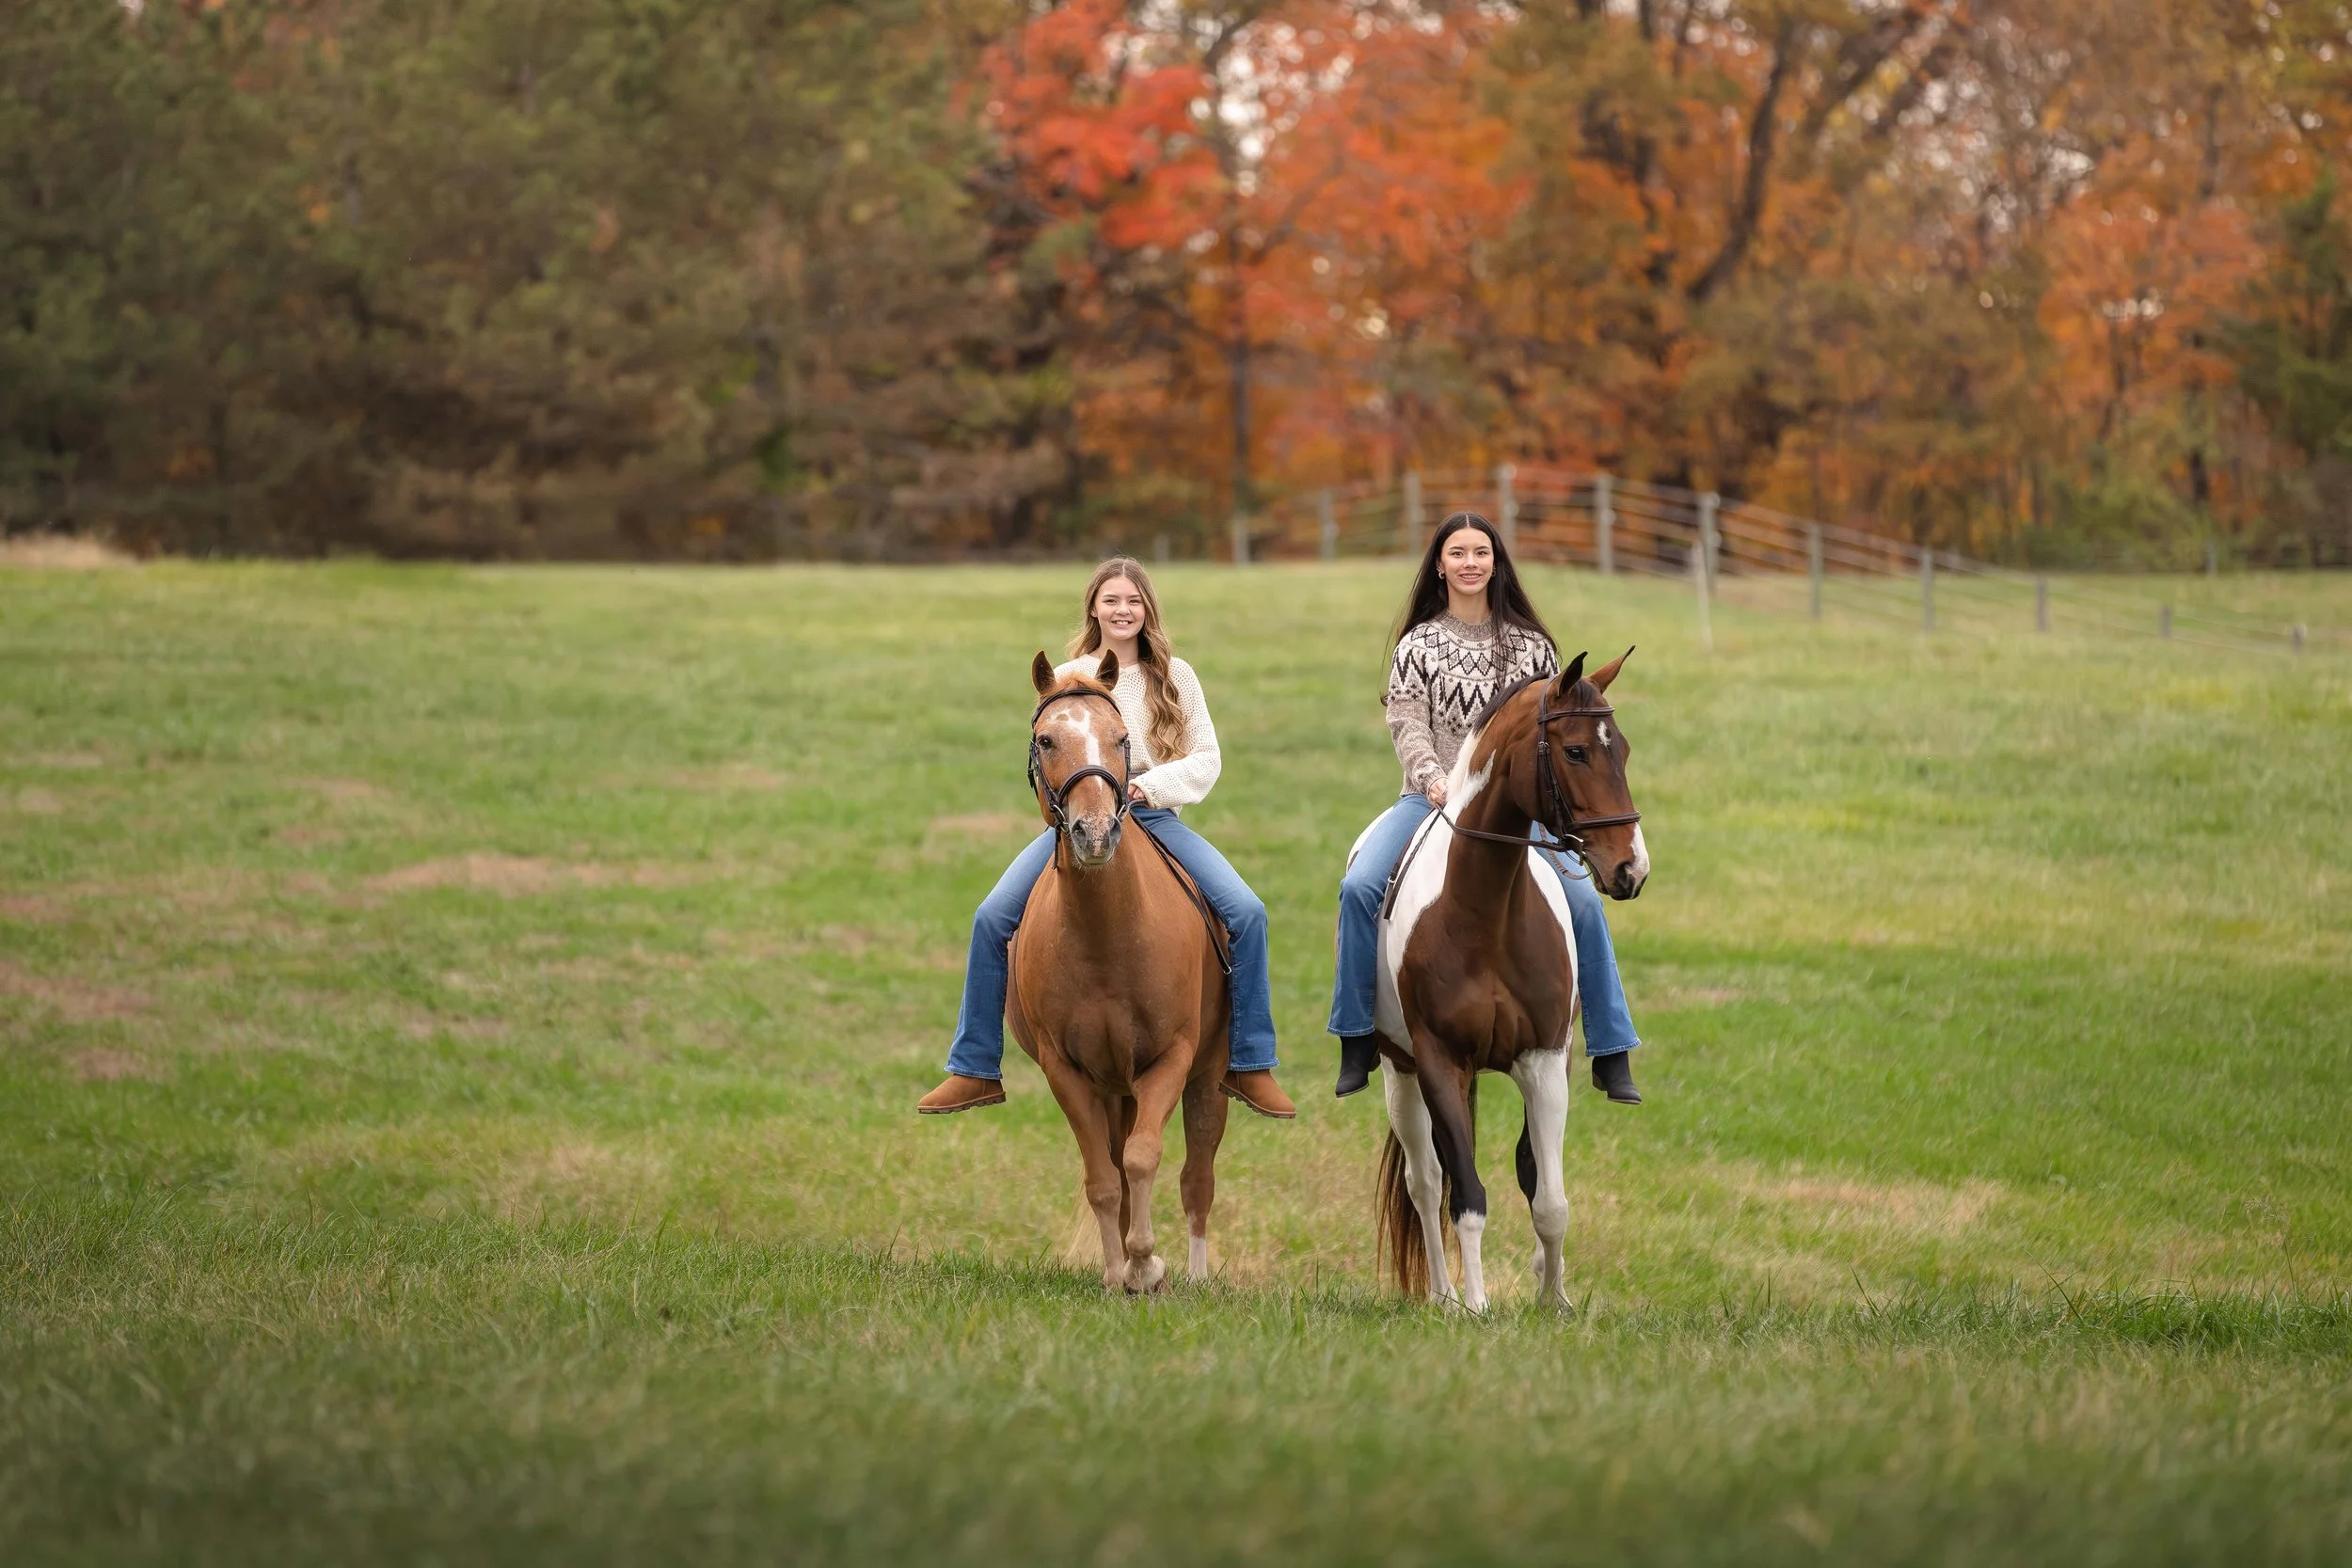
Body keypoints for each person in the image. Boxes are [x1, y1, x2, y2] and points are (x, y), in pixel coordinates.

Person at [918, 558, 1296, 1120]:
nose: (1123, 611)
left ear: (1148, 610)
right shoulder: (1067, 676)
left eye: (1133, 601)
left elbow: (1207, 759)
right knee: (992, 916)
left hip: (1156, 819)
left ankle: (1251, 1061)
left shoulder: (1176, 676)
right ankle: (973, 1066)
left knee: (1246, 911)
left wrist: (1146, 786)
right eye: (1111, 601)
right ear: (1094, 608)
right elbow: (1047, 752)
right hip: (1078, 825)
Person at [1327, 512, 1645, 1104]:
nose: (1470, 563)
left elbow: (1555, 730)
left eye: (1481, 552)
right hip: (1426, 800)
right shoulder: (1418, 644)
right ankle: (1356, 1034)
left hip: (1512, 815)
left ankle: (1610, 1045)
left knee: (1581, 898)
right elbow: (1405, 721)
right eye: (1458, 553)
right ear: (1440, 566)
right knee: (1361, 885)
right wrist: (1431, 778)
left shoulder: (1533, 647)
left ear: (1496, 563)